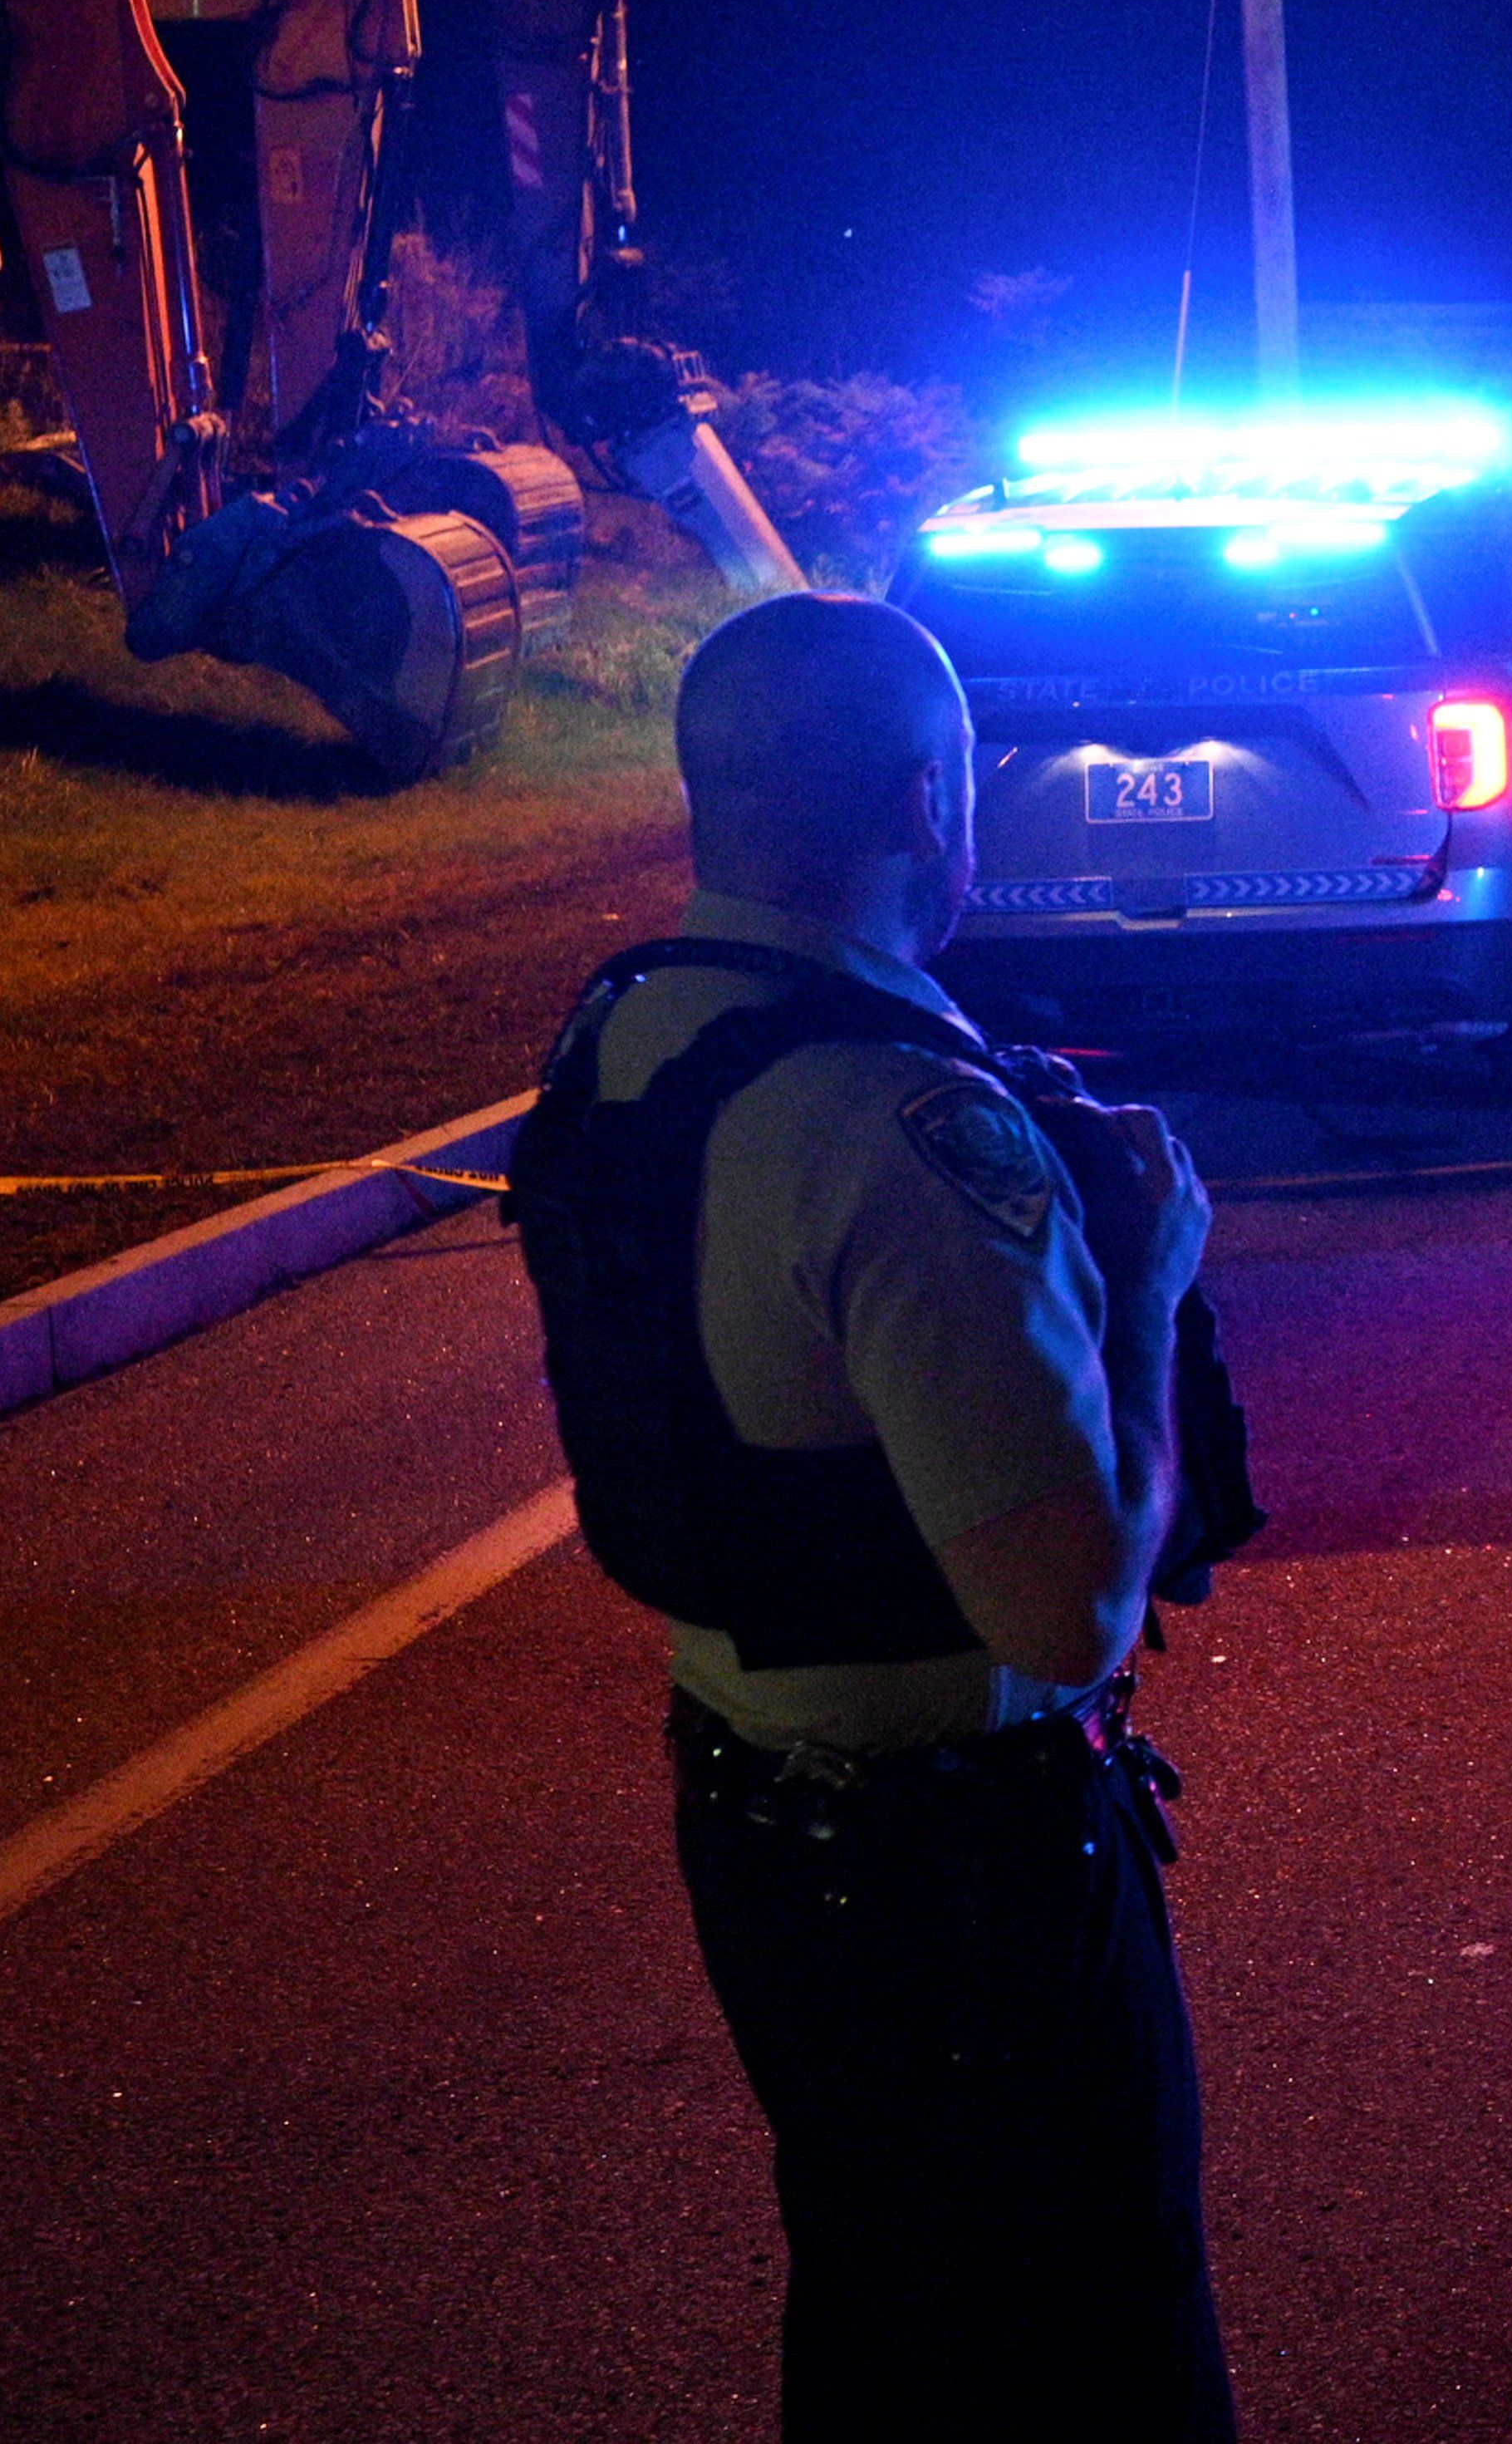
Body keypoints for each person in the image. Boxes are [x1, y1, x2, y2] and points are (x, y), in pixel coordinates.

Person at [508, 591, 1233, 2441]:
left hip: (754, 1825)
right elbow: (1065, 1612)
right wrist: (1143, 1284)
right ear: (934, 798)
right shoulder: (897, 1124)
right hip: (958, 1887)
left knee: (887, 2325)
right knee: (1096, 2357)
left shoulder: (630, 1041)